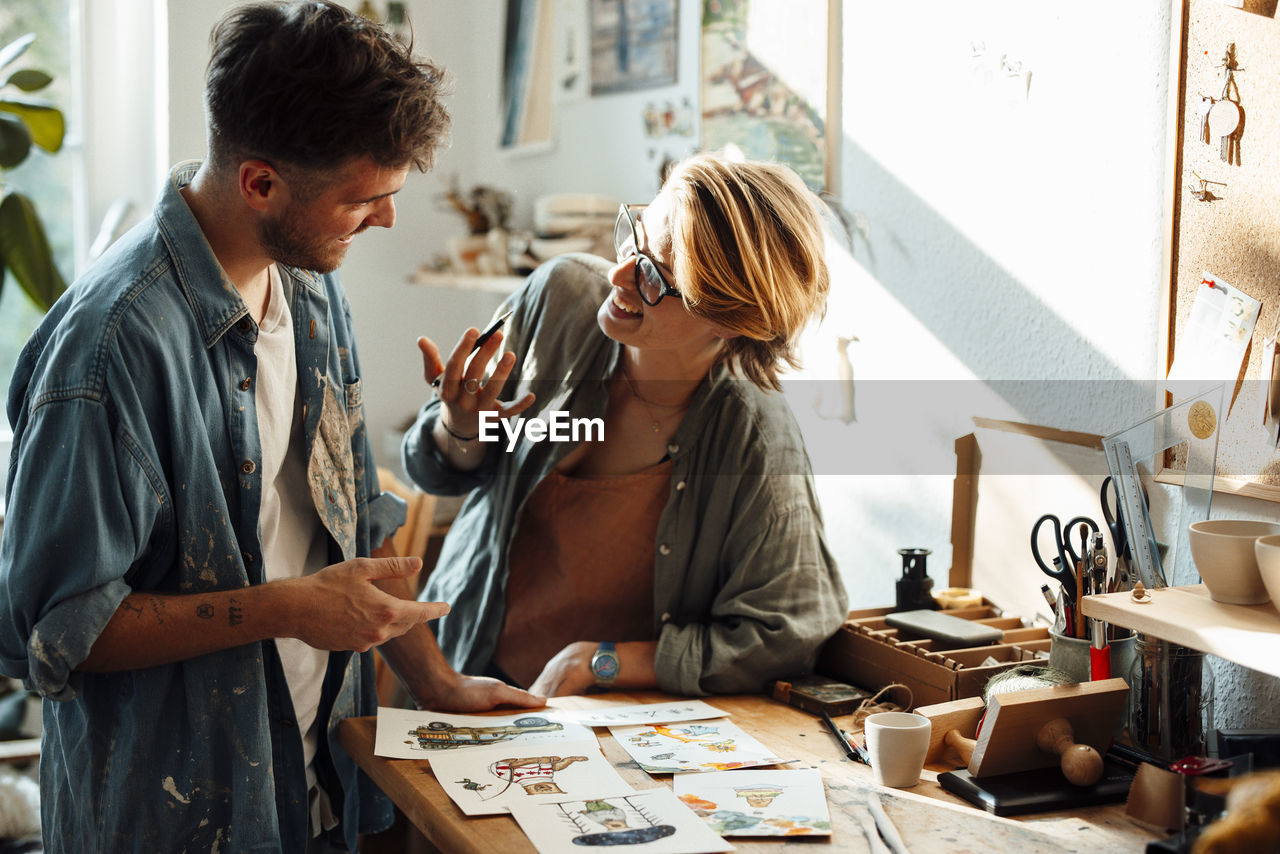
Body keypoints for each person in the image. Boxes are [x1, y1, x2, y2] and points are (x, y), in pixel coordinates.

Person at [0, 3, 537, 852]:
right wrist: (285, 608)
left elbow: (356, 522)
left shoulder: (312, 289)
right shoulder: (108, 351)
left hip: (318, 780)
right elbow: (54, 632)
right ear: (260, 183)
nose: (388, 220)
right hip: (169, 816)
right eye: (366, 199)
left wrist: (435, 683)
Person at [403, 152, 849, 699]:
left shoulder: (754, 436)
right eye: (632, 236)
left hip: (598, 727)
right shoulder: (560, 296)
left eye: (655, 278)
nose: (618, 274)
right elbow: (436, 471)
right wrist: (460, 427)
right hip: (457, 663)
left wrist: (601, 662)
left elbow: (786, 631)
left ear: (731, 319)